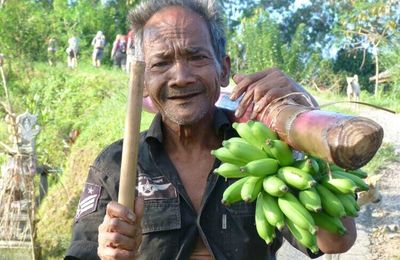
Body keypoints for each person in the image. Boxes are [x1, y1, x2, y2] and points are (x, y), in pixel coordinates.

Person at [65, 1, 356, 259]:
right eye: (161, 62)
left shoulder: (267, 153)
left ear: (223, 69)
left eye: (197, 57)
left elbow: (336, 240)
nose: (180, 77)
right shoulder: (115, 165)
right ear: (143, 79)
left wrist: (305, 121)